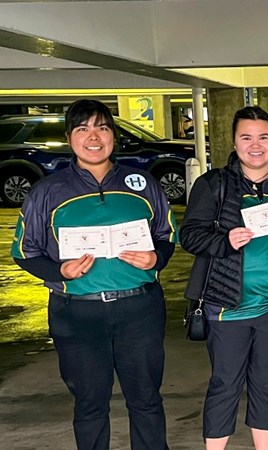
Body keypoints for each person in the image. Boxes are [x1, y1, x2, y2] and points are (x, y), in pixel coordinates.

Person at [11, 99, 178, 450]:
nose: (93, 136)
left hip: (139, 310)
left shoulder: (143, 184)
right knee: (89, 404)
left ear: (113, 136)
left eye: (102, 127)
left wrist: (155, 258)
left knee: (146, 400)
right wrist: (60, 270)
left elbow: (166, 236)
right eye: (83, 129)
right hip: (77, 313)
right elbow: (24, 251)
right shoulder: (47, 192)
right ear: (70, 137)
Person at [180, 106, 268, 450]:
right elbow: (190, 236)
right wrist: (224, 241)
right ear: (234, 142)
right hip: (228, 307)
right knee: (225, 383)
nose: (256, 145)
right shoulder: (215, 184)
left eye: (263, 137)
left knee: (267, 382)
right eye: (246, 137)